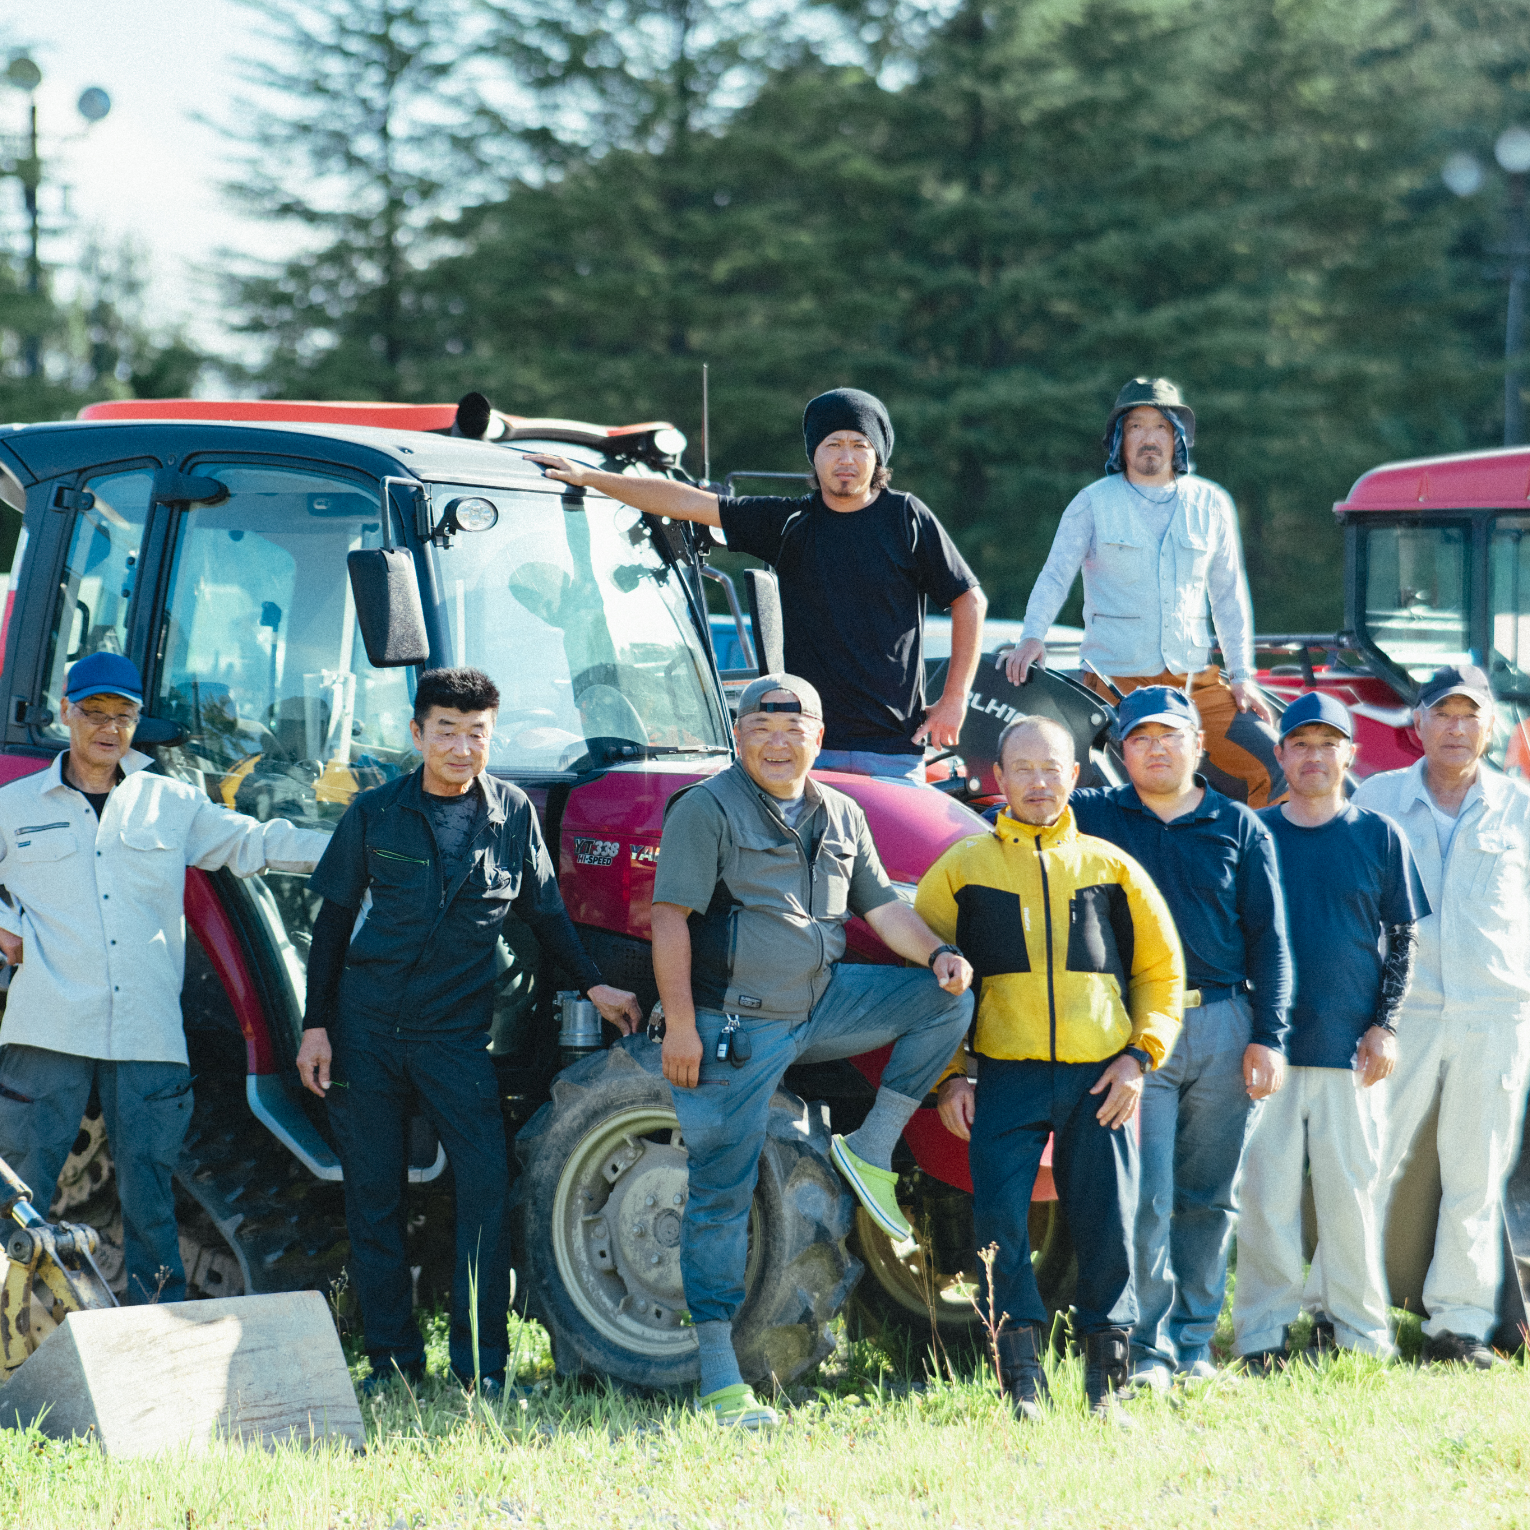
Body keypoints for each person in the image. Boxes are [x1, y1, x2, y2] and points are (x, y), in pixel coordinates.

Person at [296, 667, 640, 1395]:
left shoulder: (512, 814)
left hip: (455, 1040)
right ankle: (392, 1365)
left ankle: (481, 1368)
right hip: (367, 1032)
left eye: (476, 732)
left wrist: (596, 985)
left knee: (485, 1191)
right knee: (375, 1199)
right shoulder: (375, 813)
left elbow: (547, 916)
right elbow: (330, 926)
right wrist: (315, 1027)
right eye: (446, 730)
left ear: (492, 737)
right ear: (416, 734)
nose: (461, 746)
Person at [651, 673, 974, 1429]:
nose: (776, 741)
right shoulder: (706, 810)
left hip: (822, 1005)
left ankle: (873, 1148)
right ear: (738, 735)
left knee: (947, 1000)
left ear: (818, 737)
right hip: (736, 1022)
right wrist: (679, 1025)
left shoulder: (842, 813)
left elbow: (885, 909)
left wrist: (937, 957)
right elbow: (670, 920)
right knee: (721, 1195)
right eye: (761, 728)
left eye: (793, 729)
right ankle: (722, 1375)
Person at [0, 653, 331, 1304]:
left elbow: (253, 844)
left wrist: (353, 847)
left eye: (122, 715)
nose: (108, 727)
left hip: (147, 1038)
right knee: (18, 1195)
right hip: (48, 1031)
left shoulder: (171, 804)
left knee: (152, 1204)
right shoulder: (14, 805)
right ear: (66, 713)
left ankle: (161, 1346)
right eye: (93, 712)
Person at [526, 388, 987, 785]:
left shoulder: (906, 517)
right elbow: (687, 502)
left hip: (893, 750)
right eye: (833, 444)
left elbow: (969, 599)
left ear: (877, 455)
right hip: (805, 743)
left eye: (859, 445)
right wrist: (590, 477)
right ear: (814, 454)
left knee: (893, 884)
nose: (846, 457)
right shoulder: (787, 522)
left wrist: (952, 700)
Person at [927, 715, 1184, 1425]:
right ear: (999, 778)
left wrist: (1139, 1059)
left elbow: (1161, 974)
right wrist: (950, 1073)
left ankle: (1109, 1389)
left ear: (1075, 776)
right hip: (1001, 1077)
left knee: (1108, 1229)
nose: (1039, 782)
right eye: (1023, 769)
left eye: (1053, 768)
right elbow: (924, 981)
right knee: (1000, 1228)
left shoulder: (1113, 868)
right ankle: (1023, 1389)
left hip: (1098, 1078)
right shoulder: (961, 869)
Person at [1068, 686, 1292, 1392]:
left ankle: (1194, 1341)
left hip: (1225, 1024)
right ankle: (1144, 1348)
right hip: (1132, 1032)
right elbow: (1018, 814)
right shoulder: (1093, 818)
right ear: (1121, 752)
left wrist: (1270, 1037)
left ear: (1199, 744)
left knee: (1209, 1196)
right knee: (1144, 1195)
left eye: (1170, 736)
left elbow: (1271, 941)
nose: (1156, 749)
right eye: (1140, 739)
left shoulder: (1239, 825)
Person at [1232, 692, 1428, 1367]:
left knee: (1351, 1200)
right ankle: (1261, 1335)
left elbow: (1401, 939)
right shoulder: (1250, 834)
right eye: (1301, 744)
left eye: (1328, 744)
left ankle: (1361, 1336)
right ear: (1280, 754)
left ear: (1349, 754)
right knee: (1266, 1201)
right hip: (1270, 1051)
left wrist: (1386, 1026)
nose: (1314, 757)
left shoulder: (1378, 835)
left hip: (1352, 1052)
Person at [1351, 665, 1530, 1368]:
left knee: (1476, 1176)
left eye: (1470, 716)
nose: (1457, 728)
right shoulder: (1376, 800)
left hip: (1496, 1015)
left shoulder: (1520, 808)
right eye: (1443, 714)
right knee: (1366, 1164)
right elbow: (1350, 906)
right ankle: (1339, 1313)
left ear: (1493, 727)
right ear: (1416, 725)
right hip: (1401, 1014)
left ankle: (1455, 1327)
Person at [1006, 377, 1282, 807]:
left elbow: (1228, 595)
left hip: (1195, 683)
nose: (1148, 439)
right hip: (1115, 686)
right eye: (1136, 427)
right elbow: (1055, 575)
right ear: (1119, 439)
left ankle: (1254, 869)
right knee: (1115, 798)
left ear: (1178, 438)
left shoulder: (1212, 503)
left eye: (1160, 427)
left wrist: (1243, 676)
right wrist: (1031, 636)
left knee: (1274, 766)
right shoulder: (1091, 502)